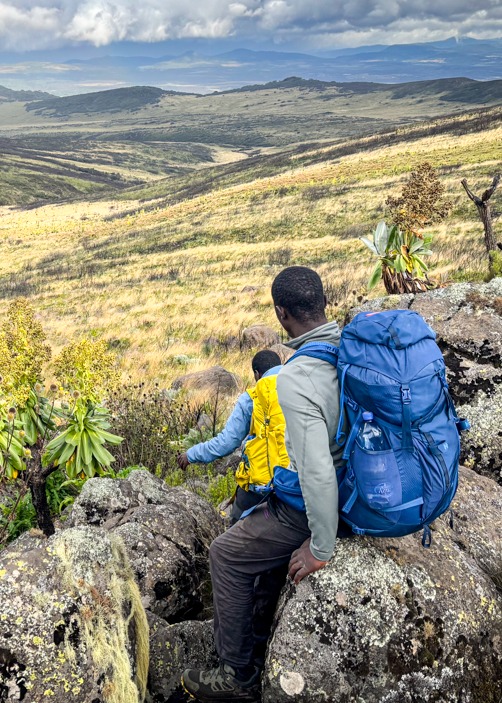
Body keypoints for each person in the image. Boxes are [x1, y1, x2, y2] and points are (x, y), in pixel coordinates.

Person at [181, 266, 344, 702]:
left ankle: (237, 675)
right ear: (322, 303)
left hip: (317, 508)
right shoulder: (348, 348)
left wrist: (321, 547)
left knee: (226, 553)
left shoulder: (296, 378)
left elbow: (315, 472)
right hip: (363, 486)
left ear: (281, 312)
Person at [176, 349, 285, 524]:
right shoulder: (302, 385)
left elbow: (227, 443)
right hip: (299, 481)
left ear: (256, 374)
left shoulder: (252, 398)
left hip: (263, 484)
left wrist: (191, 454)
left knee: (236, 528)